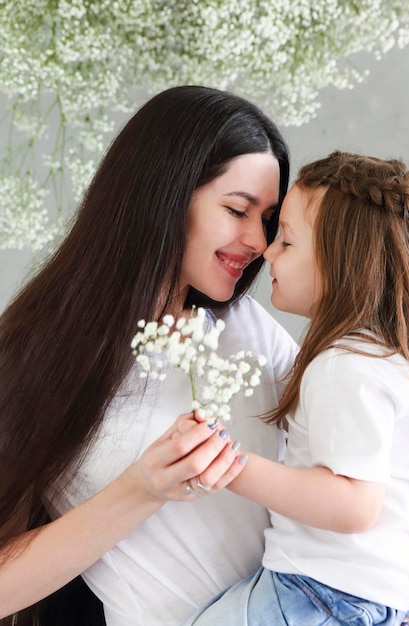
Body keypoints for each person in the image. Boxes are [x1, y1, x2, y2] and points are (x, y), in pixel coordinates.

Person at [0, 85, 299, 625]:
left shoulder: (250, 331)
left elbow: (358, 472)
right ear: (164, 193)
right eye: (237, 210)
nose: (258, 240)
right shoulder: (38, 357)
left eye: (269, 220)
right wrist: (142, 489)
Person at [182, 150, 409, 625]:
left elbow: (353, 504)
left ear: (340, 262)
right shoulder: (388, 361)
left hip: (320, 595)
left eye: (285, 241)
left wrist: (229, 466)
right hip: (379, 600)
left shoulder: (344, 366)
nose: (266, 251)